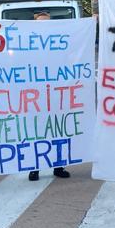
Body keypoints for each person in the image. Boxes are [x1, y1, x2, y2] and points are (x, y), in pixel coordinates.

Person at [28, 10, 70, 182]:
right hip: (35, 98)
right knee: (37, 132)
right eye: (41, 23)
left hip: (55, 96)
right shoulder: (28, 47)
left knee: (58, 129)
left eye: (48, 22)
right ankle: (34, 167)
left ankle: (58, 165)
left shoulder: (59, 46)